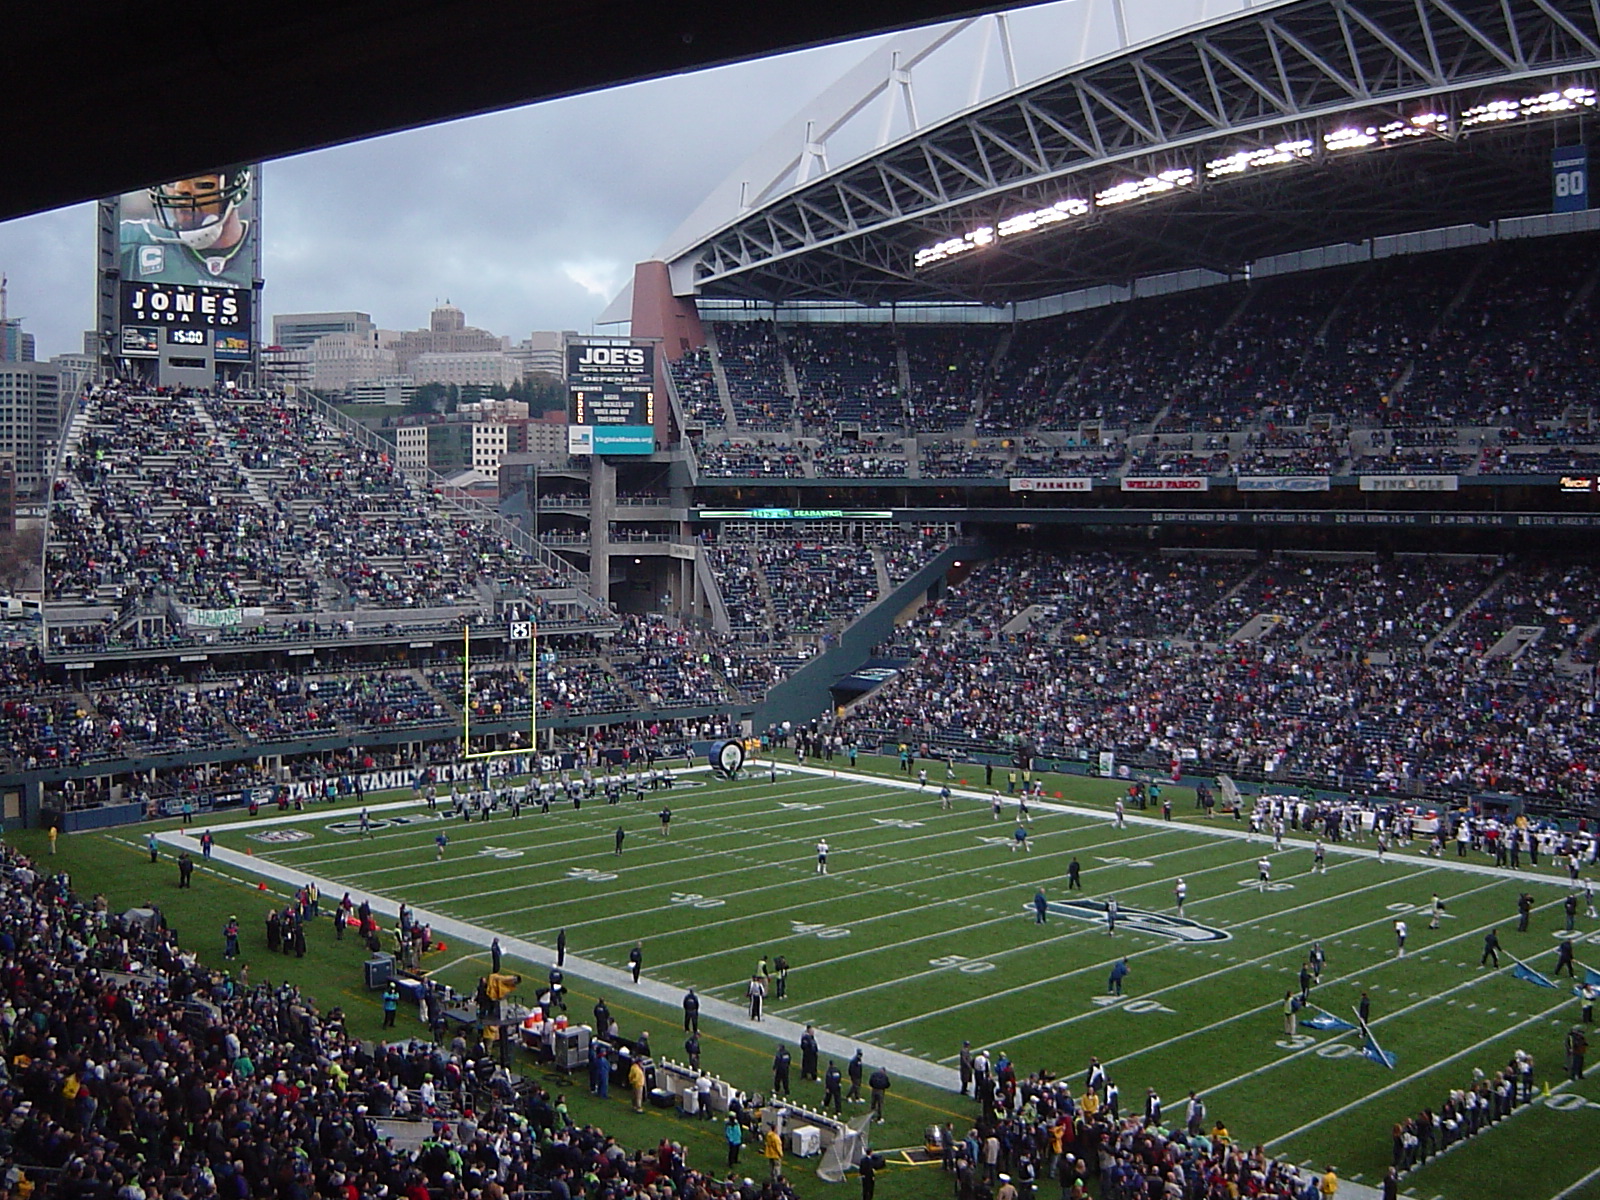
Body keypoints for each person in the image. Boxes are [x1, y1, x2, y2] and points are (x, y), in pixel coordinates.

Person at [120, 169, 255, 286]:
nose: (181, 196)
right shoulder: (130, 242)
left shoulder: (261, 253)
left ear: (238, 193)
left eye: (202, 184)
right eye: (171, 182)